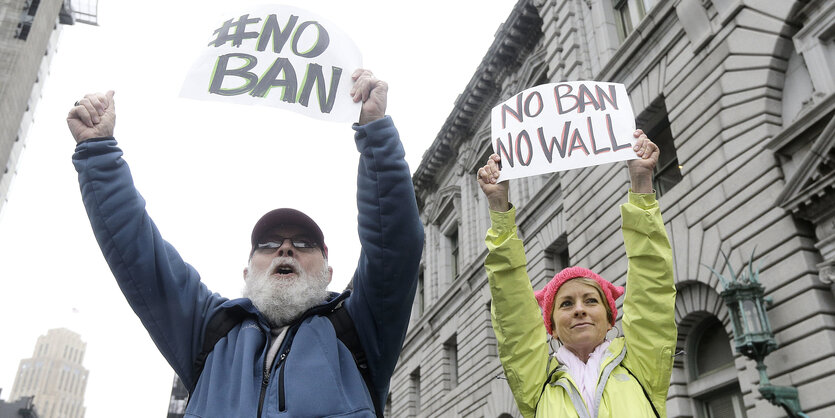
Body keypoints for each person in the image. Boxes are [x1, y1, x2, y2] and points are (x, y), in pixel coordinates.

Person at [66, 69, 424, 417]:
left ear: (329, 272)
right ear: (246, 272)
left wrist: (375, 131)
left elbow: (395, 242)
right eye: (268, 245)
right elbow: (138, 252)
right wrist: (97, 152)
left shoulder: (360, 330)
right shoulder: (208, 331)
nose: (286, 250)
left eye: (303, 243)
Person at [477, 131, 676, 418]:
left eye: (591, 301)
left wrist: (642, 184)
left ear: (610, 320)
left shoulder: (642, 365)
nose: (580, 310)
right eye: (567, 304)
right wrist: (499, 210)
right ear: (552, 327)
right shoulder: (538, 384)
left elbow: (652, 283)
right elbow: (512, 310)